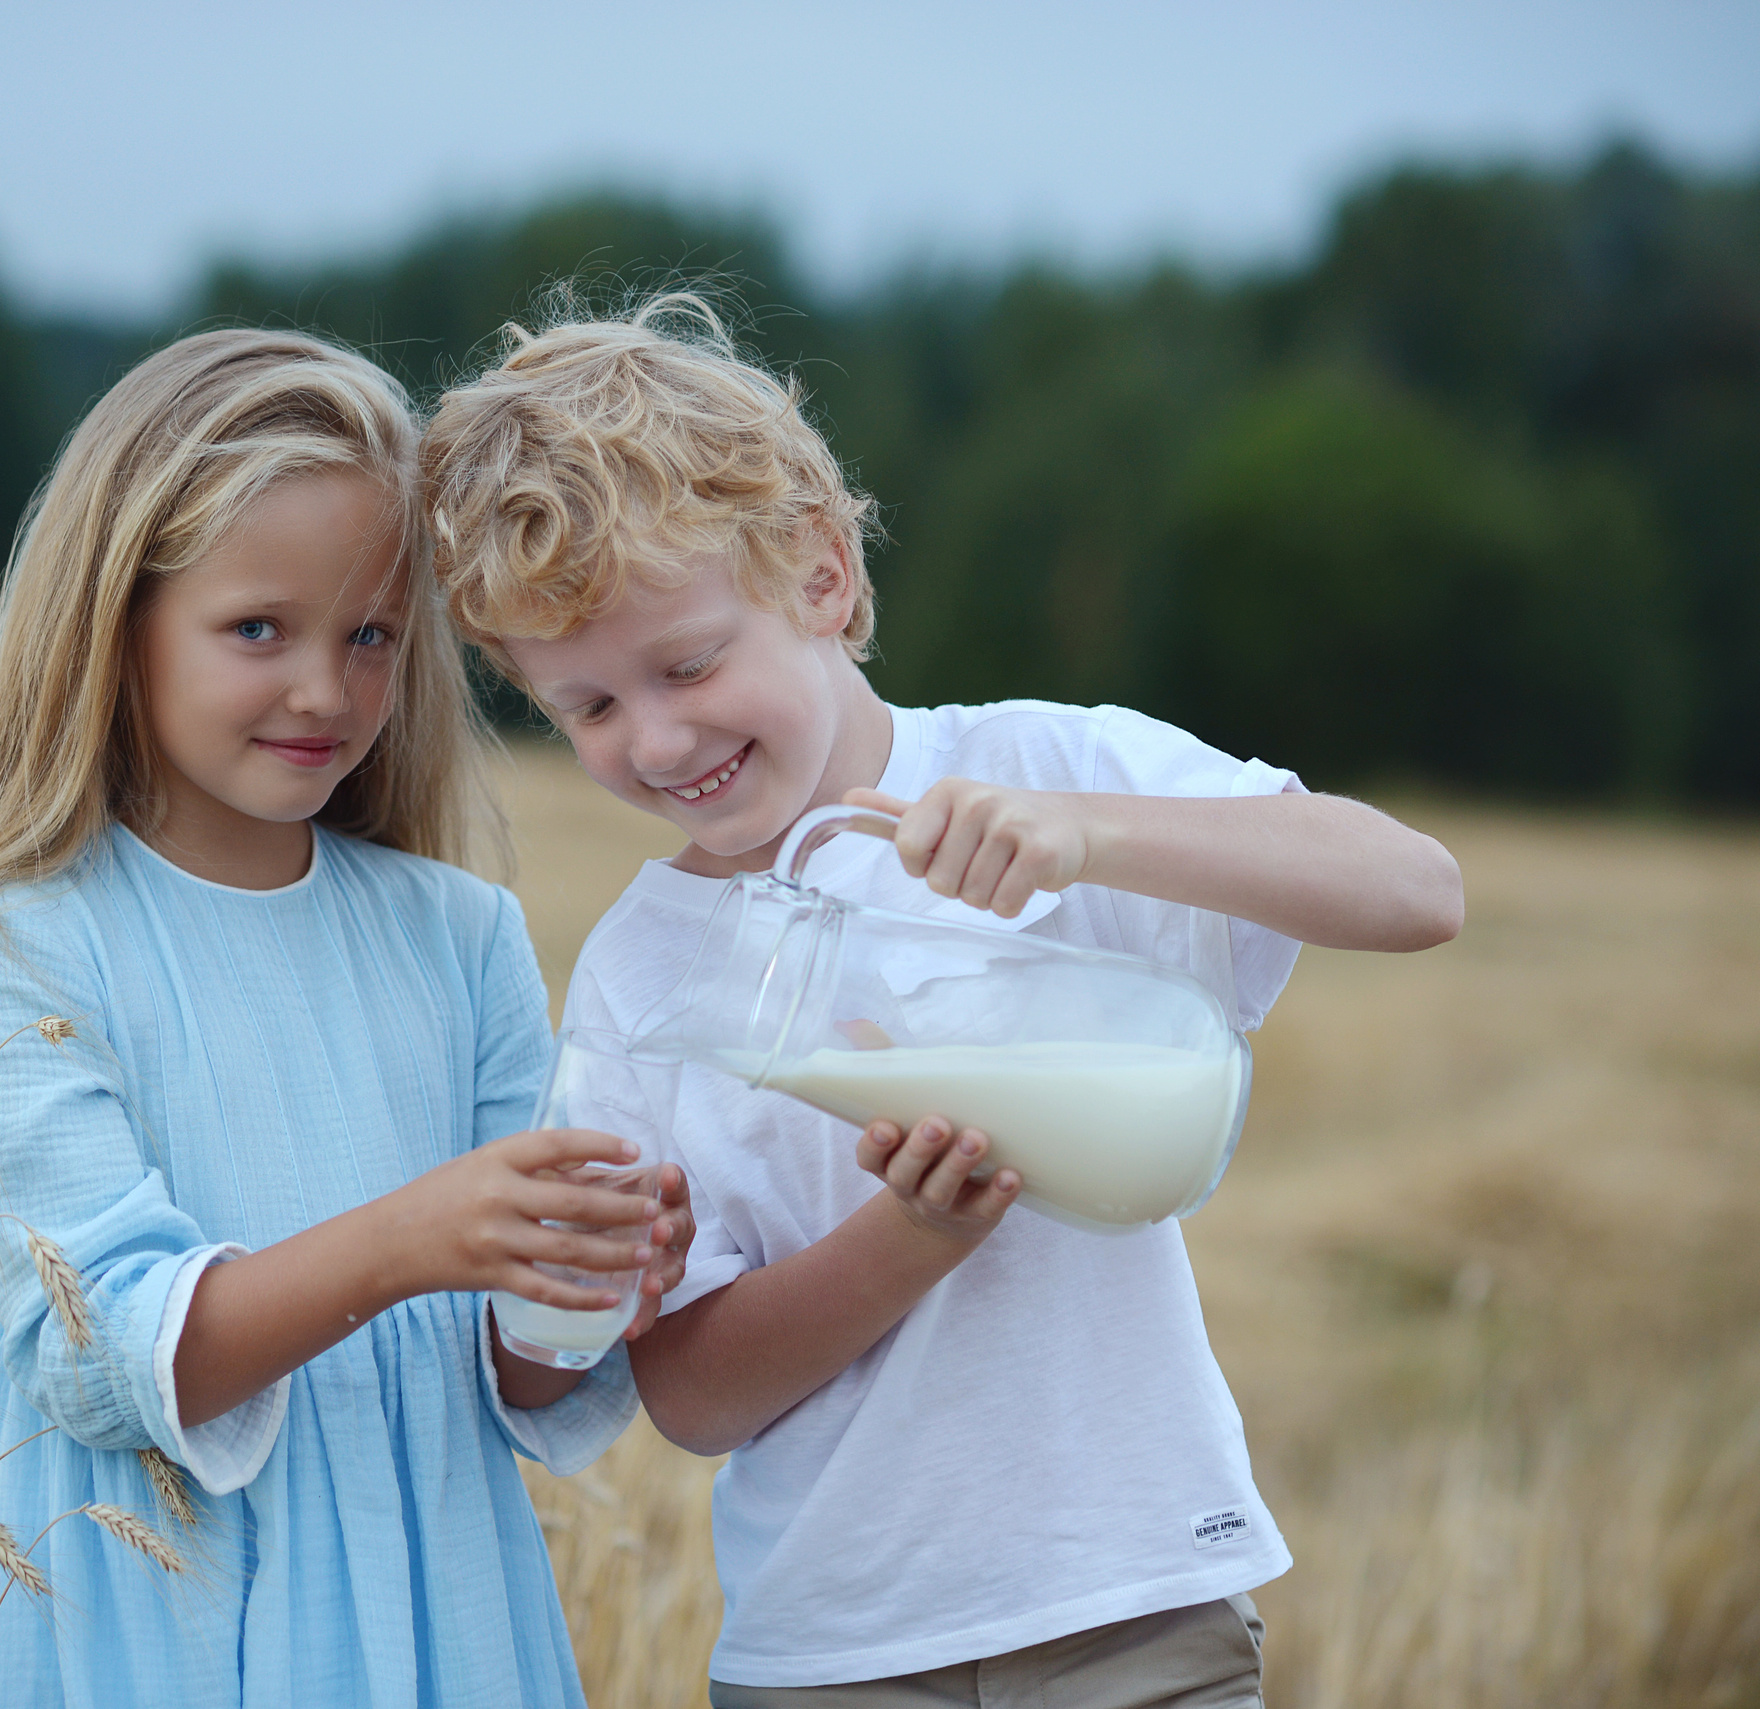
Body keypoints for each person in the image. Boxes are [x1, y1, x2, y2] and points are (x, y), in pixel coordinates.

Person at [421, 297, 1463, 1707]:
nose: (656, 738)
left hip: (1136, 1611)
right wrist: (912, 1235)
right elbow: (694, 1399)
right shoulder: (644, 975)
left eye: (689, 663)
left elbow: (1415, 891)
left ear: (823, 573)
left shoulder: (1040, 773)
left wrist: (1092, 836)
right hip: (834, 1655)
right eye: (588, 708)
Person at [0, 328, 693, 1708]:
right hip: (121, 1605)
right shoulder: (30, 944)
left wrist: (586, 1290)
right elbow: (98, 1350)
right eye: (258, 631)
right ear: (117, 624)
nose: (325, 691)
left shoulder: (461, 937)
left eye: (370, 637)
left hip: (420, 1597)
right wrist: (412, 1240)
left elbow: (513, 1374)